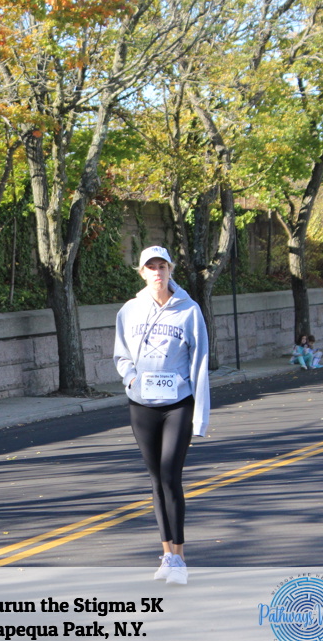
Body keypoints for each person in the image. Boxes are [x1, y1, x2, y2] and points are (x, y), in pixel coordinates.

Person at [113, 246, 210, 586]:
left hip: (177, 403)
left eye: (162, 266)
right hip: (142, 405)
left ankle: (180, 558)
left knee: (170, 475)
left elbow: (200, 363)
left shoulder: (189, 310)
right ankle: (167, 554)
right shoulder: (129, 311)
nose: (157, 271)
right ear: (142, 272)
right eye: (150, 267)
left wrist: (200, 416)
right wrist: (131, 379)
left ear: (170, 270)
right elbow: (121, 355)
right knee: (156, 479)